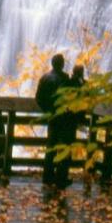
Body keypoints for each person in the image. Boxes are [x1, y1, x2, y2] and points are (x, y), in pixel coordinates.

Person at [35, 53, 73, 186]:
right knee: (63, 147)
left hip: (51, 118)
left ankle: (47, 177)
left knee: (50, 147)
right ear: (61, 64)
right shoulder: (65, 79)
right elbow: (71, 98)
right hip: (64, 118)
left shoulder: (44, 78)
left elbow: (38, 98)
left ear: (52, 64)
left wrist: (48, 111)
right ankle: (61, 178)